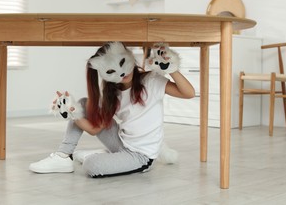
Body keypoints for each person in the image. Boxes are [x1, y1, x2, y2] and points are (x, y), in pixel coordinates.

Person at [29, 41, 195, 177]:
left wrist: (172, 69)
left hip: (141, 156)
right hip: (122, 143)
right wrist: (72, 112)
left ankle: (103, 157)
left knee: (91, 166)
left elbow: (188, 93)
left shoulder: (151, 81)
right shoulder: (112, 93)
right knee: (82, 103)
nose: (122, 73)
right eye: (111, 70)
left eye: (123, 63)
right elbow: (94, 129)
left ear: (128, 57)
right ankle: (63, 156)